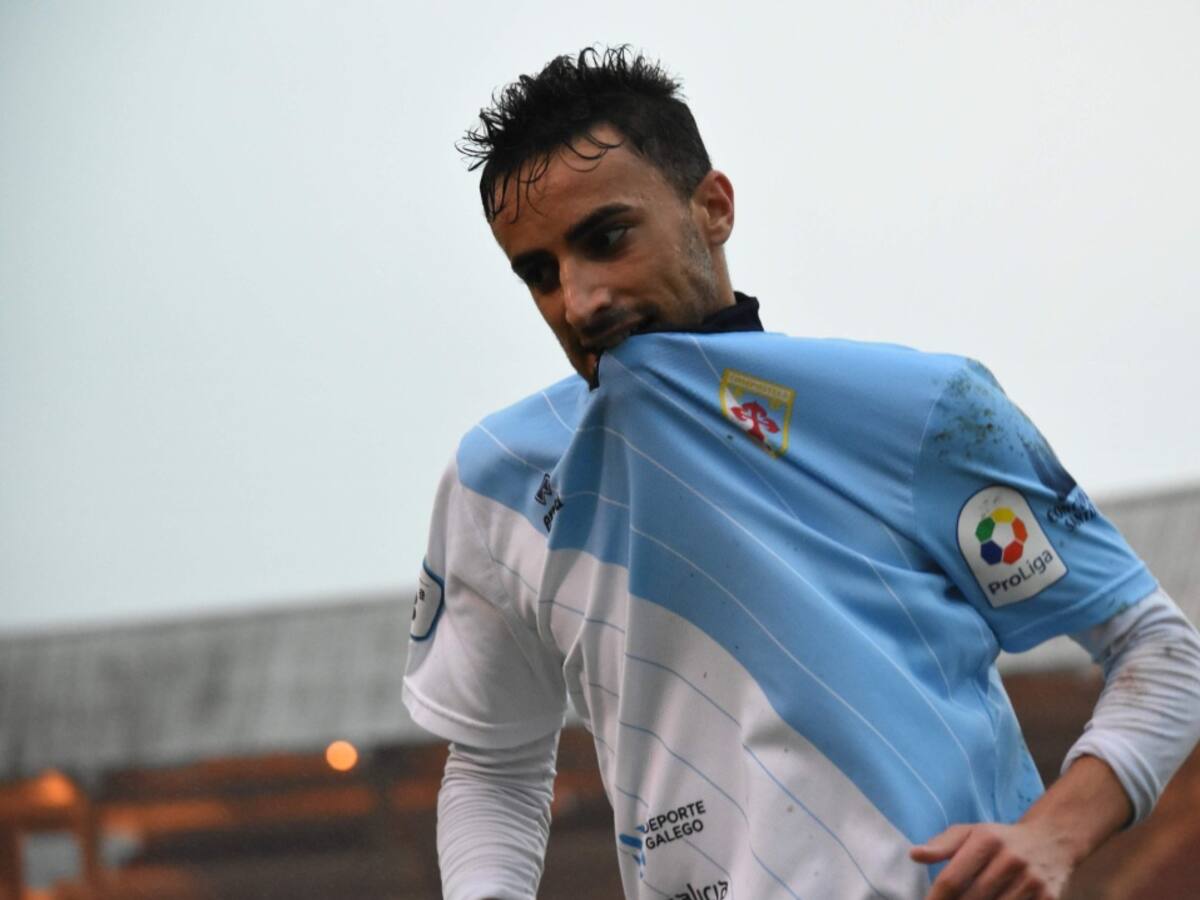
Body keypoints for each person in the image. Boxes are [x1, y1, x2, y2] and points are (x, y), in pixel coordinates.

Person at [402, 47, 1200, 900]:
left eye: (607, 239)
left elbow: (1160, 652)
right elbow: (493, 765)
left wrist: (1052, 834)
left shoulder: (921, 408)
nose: (580, 301)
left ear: (714, 207)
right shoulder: (499, 482)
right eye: (539, 272)